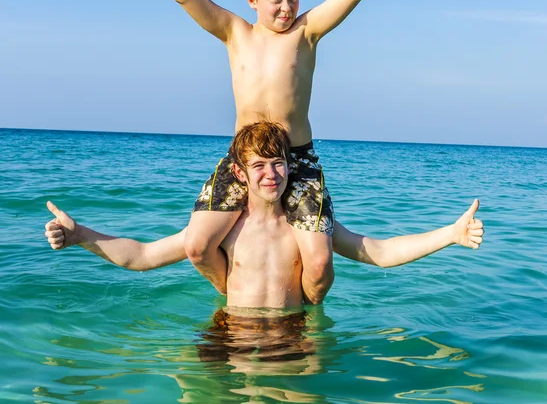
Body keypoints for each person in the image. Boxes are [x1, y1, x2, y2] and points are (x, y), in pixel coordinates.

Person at [113, 0, 401, 304]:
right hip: (244, 161)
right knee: (196, 246)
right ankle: (237, 299)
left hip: (296, 161)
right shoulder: (234, 33)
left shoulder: (308, 32)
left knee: (320, 263)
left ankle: (301, 317)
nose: (286, 8)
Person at [44, 121, 485, 309]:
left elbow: (380, 251)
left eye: (278, 163)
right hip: (229, 333)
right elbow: (141, 256)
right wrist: (80, 234)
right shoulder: (227, 229)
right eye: (259, 165)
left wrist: (450, 233)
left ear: (290, 167)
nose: (270, 174)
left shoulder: (305, 227)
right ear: (239, 172)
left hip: (291, 337)